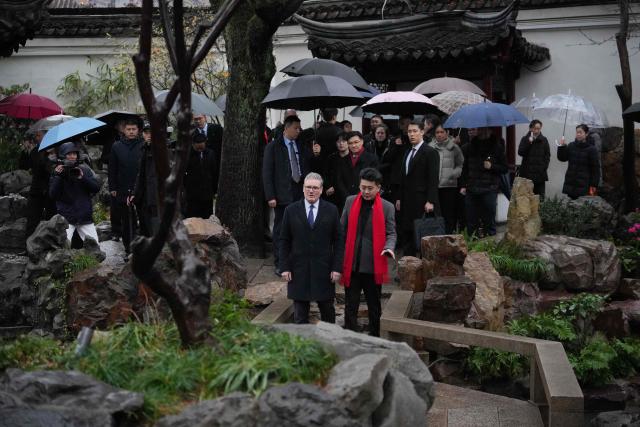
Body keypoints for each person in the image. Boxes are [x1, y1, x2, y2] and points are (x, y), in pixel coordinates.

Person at [279, 172, 343, 324]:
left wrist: (337, 267)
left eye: (315, 187)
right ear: (303, 189)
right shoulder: (291, 210)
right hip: (298, 270)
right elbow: (284, 241)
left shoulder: (331, 210)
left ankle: (330, 345)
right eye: (308, 187)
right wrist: (284, 267)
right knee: (300, 316)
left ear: (321, 190)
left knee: (328, 313)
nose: (311, 191)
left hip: (324, 270)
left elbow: (339, 240)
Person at [341, 168, 396, 336]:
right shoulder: (350, 201)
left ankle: (375, 337)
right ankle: (349, 336)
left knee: (374, 305)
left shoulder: (387, 207)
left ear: (378, 187)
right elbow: (341, 229)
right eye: (362, 187)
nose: (365, 191)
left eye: (370, 188)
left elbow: (391, 233)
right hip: (351, 263)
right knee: (351, 304)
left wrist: (389, 247)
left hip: (373, 265)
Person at [262, 115, 314, 275]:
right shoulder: (274, 146)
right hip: (282, 194)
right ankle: (280, 261)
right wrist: (270, 196)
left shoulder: (301, 145)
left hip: (299, 192)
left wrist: (315, 152)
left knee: (299, 229)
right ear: (286, 128)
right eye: (295, 128)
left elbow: (307, 164)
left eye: (299, 128)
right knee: (280, 230)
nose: (298, 131)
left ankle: (296, 260)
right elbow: (267, 172)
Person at [395, 120, 440, 255]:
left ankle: (424, 269)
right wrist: (398, 198)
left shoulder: (430, 152)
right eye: (409, 131)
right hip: (407, 201)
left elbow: (433, 179)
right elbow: (403, 177)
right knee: (407, 235)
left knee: (422, 236)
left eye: (415, 131)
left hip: (422, 200)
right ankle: (407, 268)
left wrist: (431, 200)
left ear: (422, 132)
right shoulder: (408, 151)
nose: (411, 134)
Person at [460, 127, 508, 237]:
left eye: (484, 129)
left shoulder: (497, 147)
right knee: (471, 220)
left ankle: (490, 247)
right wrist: (463, 185)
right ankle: (473, 247)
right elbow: (465, 168)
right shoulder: (469, 147)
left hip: (489, 188)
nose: (481, 131)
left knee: (489, 220)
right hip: (472, 188)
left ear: (489, 130)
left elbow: (504, 168)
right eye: (479, 129)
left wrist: (492, 166)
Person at [49, 142, 100, 245]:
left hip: (84, 215)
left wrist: (83, 178)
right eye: (69, 154)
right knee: (63, 248)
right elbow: (53, 194)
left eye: (74, 154)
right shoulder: (58, 172)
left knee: (95, 247)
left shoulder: (84, 169)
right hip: (66, 217)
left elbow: (96, 188)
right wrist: (59, 176)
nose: (72, 156)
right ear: (63, 156)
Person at [109, 119, 143, 255]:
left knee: (143, 218)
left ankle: (144, 246)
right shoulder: (117, 146)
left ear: (138, 130)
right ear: (124, 130)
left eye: (134, 129)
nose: (131, 132)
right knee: (127, 221)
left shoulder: (143, 145)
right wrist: (113, 188)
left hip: (140, 188)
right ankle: (129, 248)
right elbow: (112, 169)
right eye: (128, 129)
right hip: (123, 188)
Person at [428, 125, 464, 234]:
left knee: (449, 214)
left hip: (449, 186)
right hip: (434, 186)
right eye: (437, 132)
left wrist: (454, 174)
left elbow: (460, 164)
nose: (439, 134)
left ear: (447, 133)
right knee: (436, 214)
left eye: (442, 132)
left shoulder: (454, 147)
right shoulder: (430, 147)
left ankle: (449, 237)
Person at [24, 131, 57, 237]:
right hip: (36, 190)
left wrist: (53, 157)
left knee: (52, 218)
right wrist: (46, 156)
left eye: (38, 135)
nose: (36, 138)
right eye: (36, 135)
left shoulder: (57, 149)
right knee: (32, 218)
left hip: (51, 190)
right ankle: (29, 245)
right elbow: (36, 168)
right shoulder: (35, 151)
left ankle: (51, 245)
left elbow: (53, 171)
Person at [557, 124, 600, 199]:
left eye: (581, 132)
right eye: (577, 132)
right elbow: (562, 158)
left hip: (584, 185)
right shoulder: (571, 146)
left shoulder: (592, 149)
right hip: (571, 183)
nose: (578, 134)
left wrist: (594, 185)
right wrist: (562, 147)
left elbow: (595, 169)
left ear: (586, 134)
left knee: (582, 208)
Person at [132, 122, 159, 236]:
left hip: (158, 194)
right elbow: (141, 174)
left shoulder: (163, 148)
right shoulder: (143, 149)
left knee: (156, 224)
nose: (149, 135)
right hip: (145, 194)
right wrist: (135, 193)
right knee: (146, 223)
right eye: (146, 133)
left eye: (151, 133)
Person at [184, 132, 219, 219]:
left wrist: (214, 190)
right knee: (192, 218)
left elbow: (214, 172)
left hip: (207, 194)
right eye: (197, 147)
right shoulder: (188, 155)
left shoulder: (210, 153)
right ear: (193, 144)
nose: (200, 149)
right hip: (192, 195)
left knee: (206, 218)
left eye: (201, 147)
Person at [336, 131, 379, 198]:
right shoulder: (343, 160)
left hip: (365, 196)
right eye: (350, 143)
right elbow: (339, 180)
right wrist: (346, 196)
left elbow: (373, 180)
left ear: (362, 141)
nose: (353, 145)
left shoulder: (372, 159)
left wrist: (360, 195)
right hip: (346, 198)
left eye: (356, 142)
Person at [517, 119, 550, 199]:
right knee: (525, 200)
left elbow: (547, 156)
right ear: (530, 128)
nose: (537, 130)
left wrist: (543, 168)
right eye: (535, 128)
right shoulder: (525, 139)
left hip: (539, 176)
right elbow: (520, 152)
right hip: (527, 175)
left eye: (539, 128)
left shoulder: (544, 140)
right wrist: (529, 142)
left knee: (539, 199)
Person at [192, 113, 223, 189]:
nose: (198, 121)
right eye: (196, 119)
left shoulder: (217, 129)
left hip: (217, 163)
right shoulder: (192, 133)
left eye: (200, 118)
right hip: (200, 167)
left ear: (205, 118)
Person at [324, 132, 350, 212]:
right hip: (333, 192)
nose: (341, 144)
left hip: (348, 192)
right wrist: (328, 186)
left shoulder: (352, 158)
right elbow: (325, 173)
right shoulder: (331, 158)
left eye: (344, 141)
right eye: (338, 142)